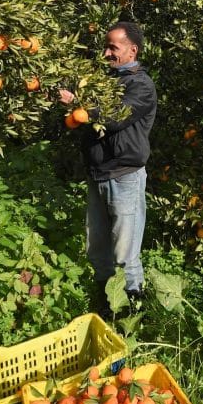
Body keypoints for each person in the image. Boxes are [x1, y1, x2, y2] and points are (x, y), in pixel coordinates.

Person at [58, 22, 157, 317]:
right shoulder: (106, 80)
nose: (107, 53)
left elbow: (116, 116)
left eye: (113, 47)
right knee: (98, 249)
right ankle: (104, 308)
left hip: (124, 176)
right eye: (106, 46)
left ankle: (131, 315)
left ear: (132, 50)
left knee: (125, 254)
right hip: (98, 174)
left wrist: (77, 104)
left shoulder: (141, 84)